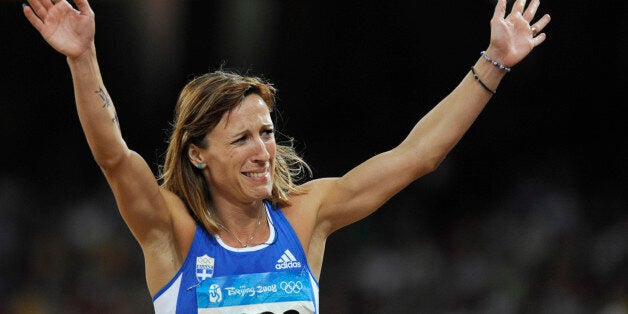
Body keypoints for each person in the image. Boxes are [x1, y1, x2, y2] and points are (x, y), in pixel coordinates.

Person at [22, 0, 550, 312]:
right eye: (242, 139)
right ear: (198, 155)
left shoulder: (306, 214)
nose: (263, 152)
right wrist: (83, 57)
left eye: (267, 133)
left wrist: (494, 62)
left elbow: (417, 156)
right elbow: (115, 157)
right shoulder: (171, 229)